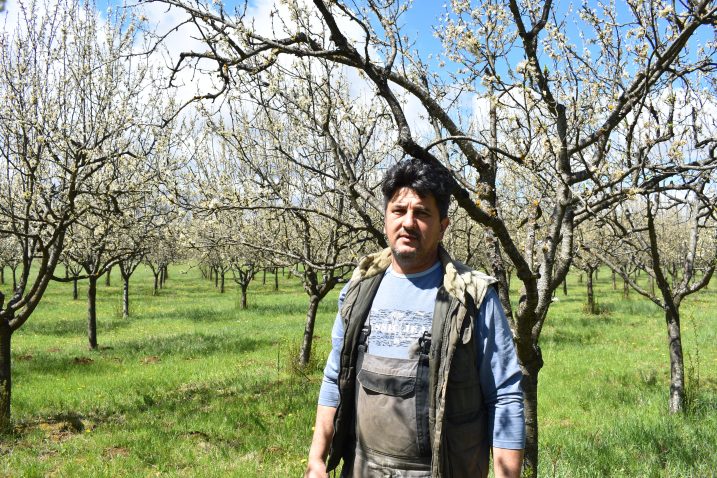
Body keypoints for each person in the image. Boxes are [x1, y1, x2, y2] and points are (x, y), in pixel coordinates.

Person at [304, 159, 525, 478]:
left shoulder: (472, 298)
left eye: (421, 213)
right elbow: (335, 377)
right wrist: (316, 459)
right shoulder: (359, 290)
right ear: (385, 218)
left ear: (443, 225)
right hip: (362, 468)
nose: (408, 222)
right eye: (398, 210)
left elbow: (504, 396)